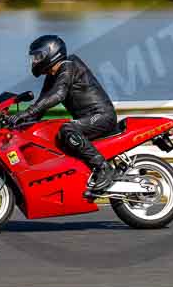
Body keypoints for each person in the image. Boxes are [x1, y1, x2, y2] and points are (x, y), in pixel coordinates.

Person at [7, 35, 118, 193]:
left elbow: (58, 94)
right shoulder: (53, 75)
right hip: (88, 119)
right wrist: (18, 123)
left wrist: (27, 112)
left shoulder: (68, 66)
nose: (35, 61)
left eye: (38, 56)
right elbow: (42, 104)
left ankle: (104, 168)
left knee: (67, 129)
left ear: (51, 53)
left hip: (101, 116)